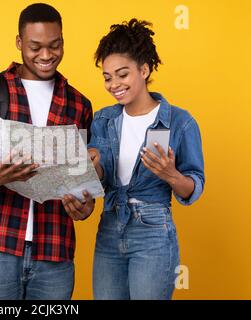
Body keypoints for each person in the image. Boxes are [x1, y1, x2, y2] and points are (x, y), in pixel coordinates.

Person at [0, 3, 94, 300]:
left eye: (54, 46)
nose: (46, 55)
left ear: (63, 42)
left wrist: (85, 206)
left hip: (55, 252)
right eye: (35, 47)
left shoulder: (79, 104)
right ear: (19, 43)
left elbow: (83, 177)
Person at [86, 19, 205, 300]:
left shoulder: (179, 121)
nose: (114, 84)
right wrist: (93, 168)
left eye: (122, 74)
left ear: (144, 69)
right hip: (109, 227)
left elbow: (194, 186)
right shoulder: (103, 119)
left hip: (153, 232)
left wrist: (171, 175)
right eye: (107, 77)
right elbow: (98, 178)